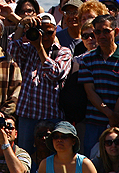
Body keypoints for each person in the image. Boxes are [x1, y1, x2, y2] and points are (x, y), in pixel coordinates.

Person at [8, 12, 72, 153]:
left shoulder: (63, 52)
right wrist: (21, 26)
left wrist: (39, 48)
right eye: (42, 32)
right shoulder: (28, 48)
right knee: (24, 155)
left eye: (49, 32)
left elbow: (55, 73)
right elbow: (11, 50)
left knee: (52, 155)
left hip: (51, 116)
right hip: (27, 115)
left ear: (56, 30)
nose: (45, 37)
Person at [78, 15, 119, 156]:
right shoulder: (87, 59)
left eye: (106, 31)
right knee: (92, 163)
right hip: (95, 122)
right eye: (97, 32)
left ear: (115, 31)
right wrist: (109, 114)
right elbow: (90, 92)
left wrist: (115, 115)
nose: (101, 35)